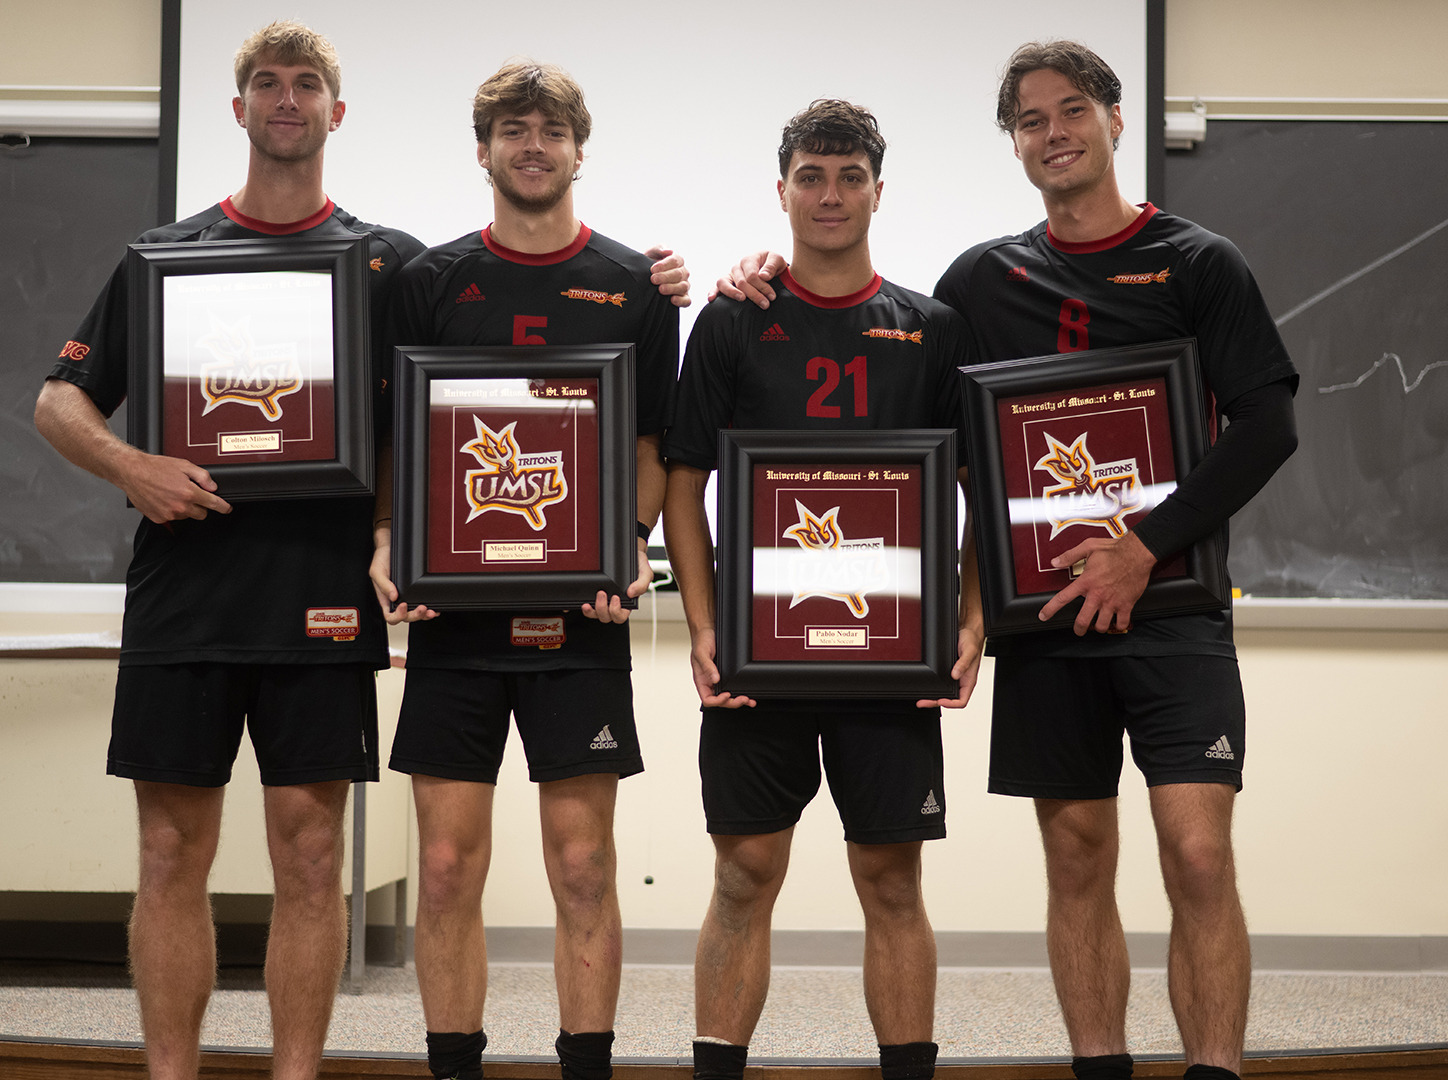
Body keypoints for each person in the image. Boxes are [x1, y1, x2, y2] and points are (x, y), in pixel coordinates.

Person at [718, 40, 1298, 1080]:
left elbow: (1266, 428)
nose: (1053, 132)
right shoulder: (980, 284)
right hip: (1049, 627)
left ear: (1116, 120)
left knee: (1198, 853)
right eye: (1030, 121)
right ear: (1015, 144)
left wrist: (1144, 549)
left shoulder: (1200, 262)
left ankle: (1217, 1069)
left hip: (1173, 614)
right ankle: (1100, 1067)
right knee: (1077, 856)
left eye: (1071, 110)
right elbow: (944, 452)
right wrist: (757, 270)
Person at [34, 22, 422, 1080]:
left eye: (307, 86)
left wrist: (657, 283)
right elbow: (57, 400)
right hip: (184, 600)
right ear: (240, 107)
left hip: (325, 600)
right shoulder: (164, 258)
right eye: (267, 83)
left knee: (308, 860)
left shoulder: (391, 263)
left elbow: (493, 364)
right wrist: (130, 466)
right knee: (169, 857)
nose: (286, 99)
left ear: (336, 114)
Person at [367, 59, 683, 1080]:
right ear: (484, 150)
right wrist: (390, 542)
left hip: (577, 618)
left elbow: (652, 446)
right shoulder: (432, 280)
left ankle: (583, 1065)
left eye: (551, 128)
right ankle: (453, 1065)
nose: (532, 144)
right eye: (513, 128)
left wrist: (630, 542)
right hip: (454, 621)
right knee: (449, 868)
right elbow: (399, 436)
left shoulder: (638, 286)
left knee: (584, 865)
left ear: (578, 150)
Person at [663, 100, 981, 1080]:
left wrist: (969, 623)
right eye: (812, 175)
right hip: (761, 656)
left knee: (890, 879)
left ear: (880, 190)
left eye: (850, 176)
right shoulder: (730, 319)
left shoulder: (931, 329)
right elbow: (685, 483)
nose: (831, 195)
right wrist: (705, 627)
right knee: (742, 874)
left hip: (890, 660)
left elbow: (977, 491)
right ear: (783, 190)